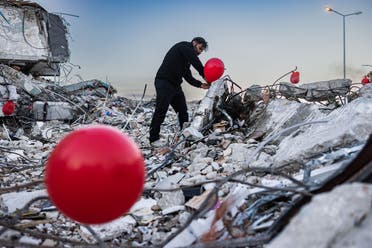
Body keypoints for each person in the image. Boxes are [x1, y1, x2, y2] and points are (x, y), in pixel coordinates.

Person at [149, 37, 210, 147]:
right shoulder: (183, 47)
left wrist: (200, 84)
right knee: (161, 110)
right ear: (194, 43)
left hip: (175, 86)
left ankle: (185, 135)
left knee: (183, 111)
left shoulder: (185, 60)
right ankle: (153, 139)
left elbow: (187, 76)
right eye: (200, 48)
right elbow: (194, 60)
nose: (200, 52)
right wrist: (204, 74)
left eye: (202, 50)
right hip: (164, 82)